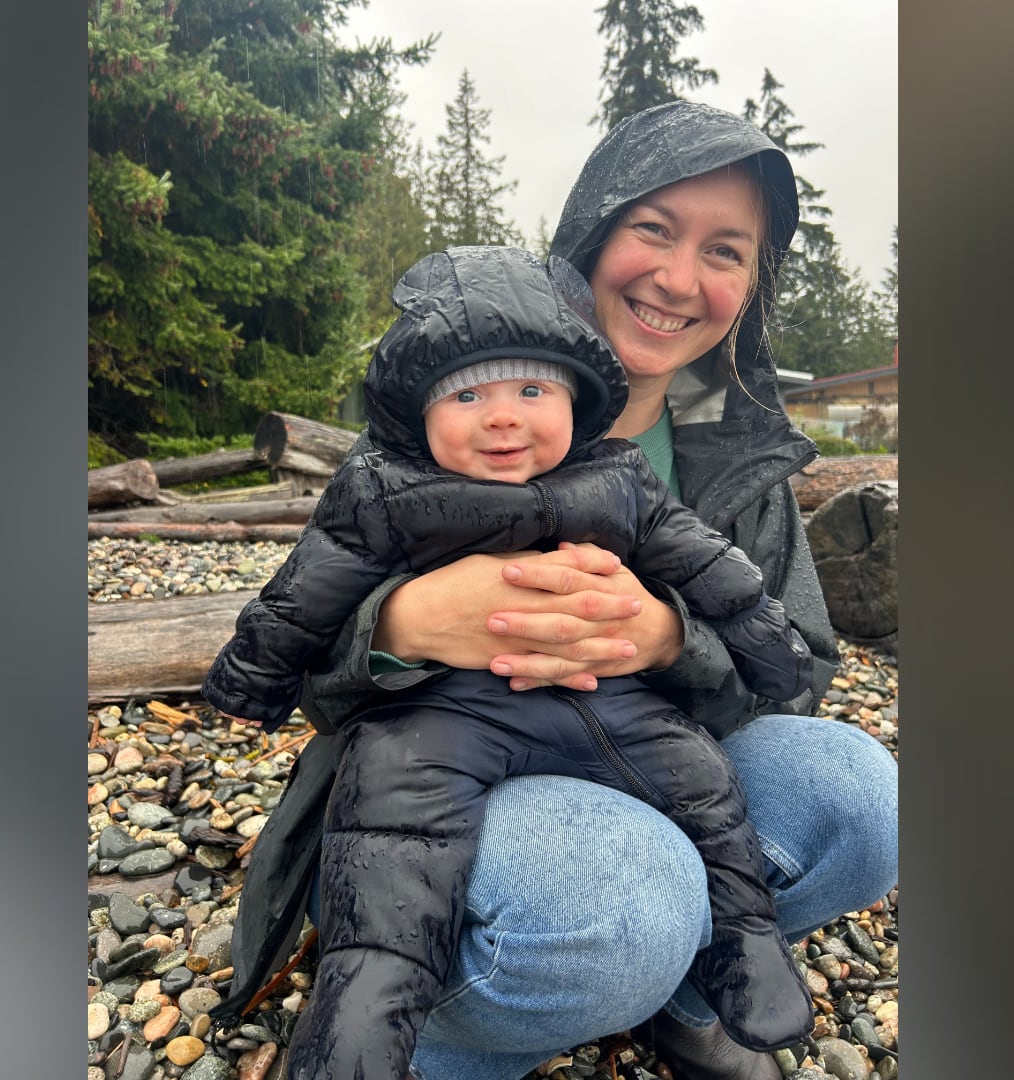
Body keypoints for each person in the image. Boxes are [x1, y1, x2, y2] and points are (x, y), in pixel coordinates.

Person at [208, 101, 899, 1080]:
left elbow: (800, 671)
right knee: (623, 901)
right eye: (653, 229)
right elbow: (306, 666)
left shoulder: (745, 457)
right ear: (592, 231)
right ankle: (411, 1046)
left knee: (865, 799)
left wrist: (670, 639)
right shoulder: (451, 401)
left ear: (751, 285)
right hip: (435, 796)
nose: (677, 277)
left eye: (726, 250)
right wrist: (405, 623)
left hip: (642, 752)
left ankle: (685, 994)